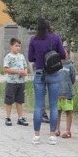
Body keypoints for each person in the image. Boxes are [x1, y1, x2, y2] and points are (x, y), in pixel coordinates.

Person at [26, 17, 66, 145]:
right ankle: (52, 136)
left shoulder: (34, 39)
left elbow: (30, 58)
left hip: (39, 74)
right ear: (49, 26)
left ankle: (36, 136)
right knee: (53, 105)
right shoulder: (56, 37)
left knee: (38, 106)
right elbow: (63, 55)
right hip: (53, 74)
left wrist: (40, 58)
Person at [2, 38, 29, 127]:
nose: (18, 48)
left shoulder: (21, 56)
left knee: (19, 101)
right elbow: (5, 69)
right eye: (16, 46)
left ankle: (20, 118)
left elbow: (25, 66)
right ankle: (8, 117)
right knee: (9, 100)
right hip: (11, 82)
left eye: (19, 46)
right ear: (11, 46)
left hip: (21, 82)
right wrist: (17, 72)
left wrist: (25, 72)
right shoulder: (8, 57)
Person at [56, 49, 76, 138]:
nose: (63, 54)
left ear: (68, 54)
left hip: (67, 93)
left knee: (68, 111)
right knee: (57, 112)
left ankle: (68, 131)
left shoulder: (71, 66)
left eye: (65, 53)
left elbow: (73, 79)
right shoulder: (56, 65)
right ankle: (57, 129)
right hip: (57, 93)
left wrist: (67, 86)